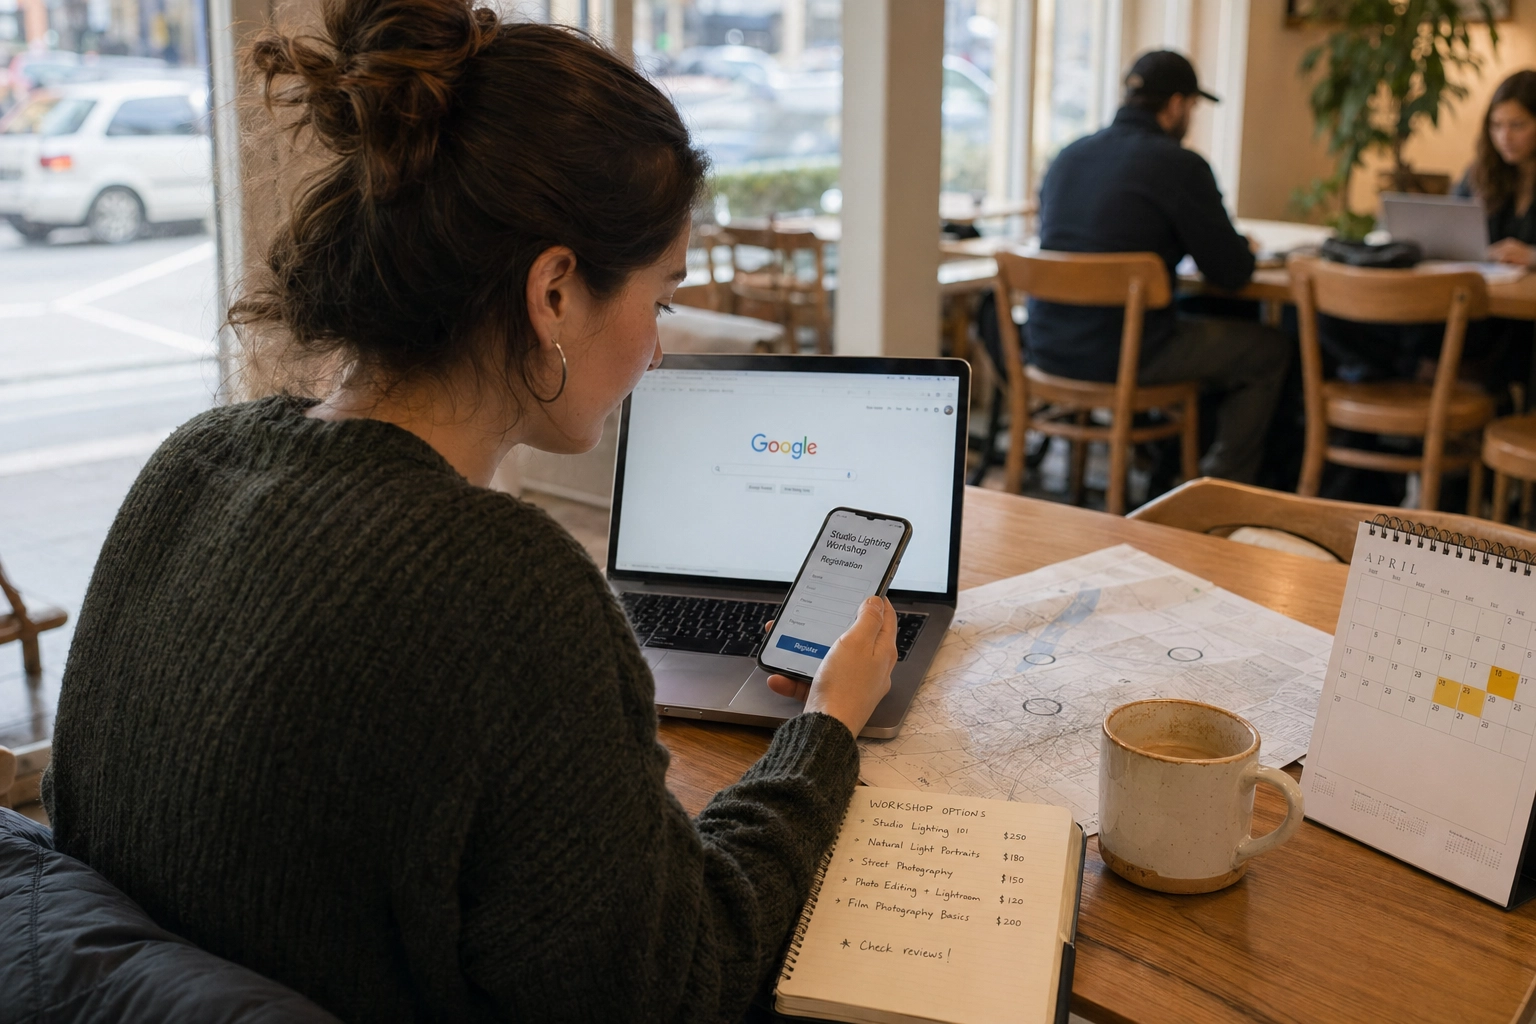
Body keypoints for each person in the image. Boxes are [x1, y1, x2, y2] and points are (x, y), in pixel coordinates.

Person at [40, 0, 897, 1019]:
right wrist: (825, 729)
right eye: (658, 301)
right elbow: (682, 982)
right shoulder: (505, 586)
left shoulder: (189, 463)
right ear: (553, 295)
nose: (659, 349)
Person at [1026, 50, 1290, 485]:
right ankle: (1218, 489)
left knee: (1196, 323)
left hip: (1047, 348)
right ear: (1176, 105)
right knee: (1268, 350)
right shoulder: (1180, 165)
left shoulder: (1067, 157)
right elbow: (1233, 272)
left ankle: (1170, 468)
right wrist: (1240, 245)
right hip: (1126, 356)